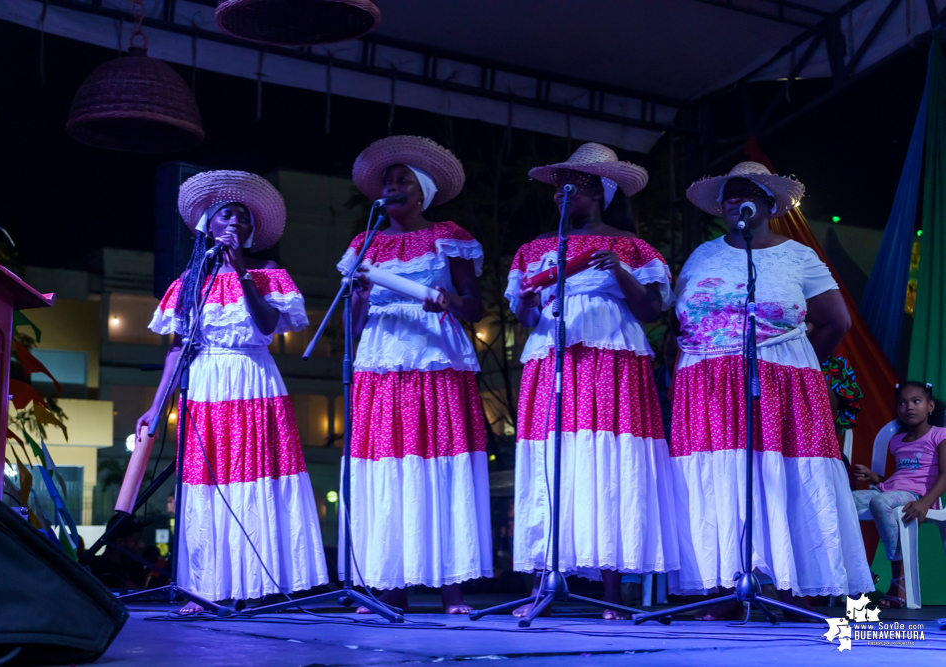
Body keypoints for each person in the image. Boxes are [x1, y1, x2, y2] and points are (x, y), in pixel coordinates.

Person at [670, 161, 873, 620]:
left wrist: (791, 367)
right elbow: (679, 321)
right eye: (727, 192)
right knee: (722, 477)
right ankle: (724, 585)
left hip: (782, 376)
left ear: (768, 203)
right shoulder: (702, 255)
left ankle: (793, 586)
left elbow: (836, 322)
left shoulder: (798, 255)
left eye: (745, 191)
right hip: (706, 381)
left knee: (784, 477)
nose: (733, 198)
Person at [138, 170, 328, 612]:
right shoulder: (188, 285)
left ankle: (259, 585)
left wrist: (243, 276)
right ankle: (205, 589)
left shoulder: (269, 275)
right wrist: (154, 405)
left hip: (254, 379)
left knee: (257, 478)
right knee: (209, 484)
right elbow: (178, 351)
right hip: (206, 385)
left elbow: (267, 326)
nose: (237, 223)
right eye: (228, 214)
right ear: (208, 223)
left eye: (244, 218)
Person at [506, 143, 678, 619]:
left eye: (575, 187)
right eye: (559, 188)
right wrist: (525, 298)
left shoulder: (631, 245)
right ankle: (543, 579)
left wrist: (617, 268)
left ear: (600, 192)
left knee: (607, 463)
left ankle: (611, 593)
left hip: (612, 360)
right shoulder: (535, 249)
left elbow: (650, 310)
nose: (562, 195)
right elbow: (523, 316)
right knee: (553, 463)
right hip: (552, 359)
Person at [339, 135, 492, 614]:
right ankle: (389, 585)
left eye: (403, 179)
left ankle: (451, 588)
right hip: (382, 363)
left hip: (435, 361)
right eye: (387, 181)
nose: (393, 186)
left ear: (422, 191)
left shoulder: (448, 236)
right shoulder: (364, 243)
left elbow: (475, 305)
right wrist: (360, 293)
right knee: (390, 466)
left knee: (438, 463)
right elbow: (353, 324)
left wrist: (445, 300)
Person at [853, 381, 946, 608]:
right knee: (843, 501)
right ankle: (861, 571)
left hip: (918, 496)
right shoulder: (896, 441)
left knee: (880, 501)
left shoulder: (940, 435)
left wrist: (925, 503)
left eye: (916, 401)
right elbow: (898, 480)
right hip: (893, 493)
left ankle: (899, 581)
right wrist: (875, 478)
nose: (909, 407)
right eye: (902, 403)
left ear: (930, 406)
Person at [89, 515, 147, 590]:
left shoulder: (130, 569)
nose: (142, 545)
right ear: (119, 542)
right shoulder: (106, 575)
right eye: (135, 540)